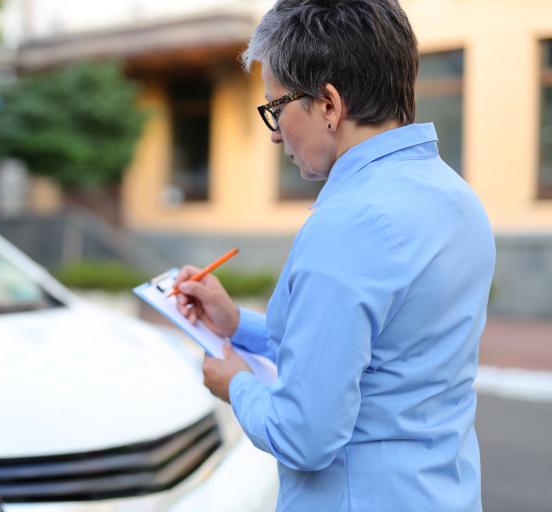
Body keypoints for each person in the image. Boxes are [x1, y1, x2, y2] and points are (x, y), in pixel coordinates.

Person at [173, 1, 495, 510]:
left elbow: (305, 435)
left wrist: (234, 383)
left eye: (276, 107)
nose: (276, 132)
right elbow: (379, 356)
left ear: (328, 105)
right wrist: (237, 326)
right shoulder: (454, 197)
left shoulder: (350, 221)